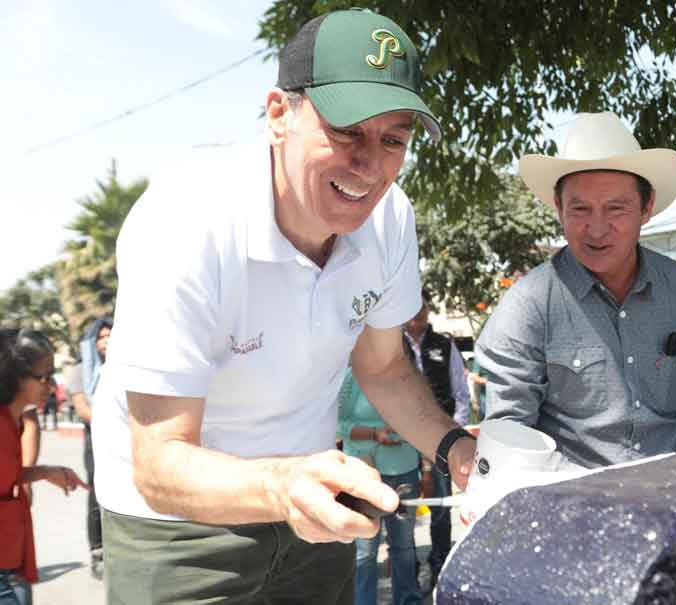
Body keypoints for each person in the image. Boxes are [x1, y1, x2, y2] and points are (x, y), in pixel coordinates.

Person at [89, 10, 477, 604]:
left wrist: (457, 450)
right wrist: (283, 486)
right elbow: (159, 461)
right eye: (347, 130)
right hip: (177, 529)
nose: (370, 166)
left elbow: (383, 368)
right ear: (278, 115)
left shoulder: (391, 219)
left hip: (314, 503)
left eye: (393, 139)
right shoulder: (187, 219)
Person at [476, 112, 676, 469]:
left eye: (616, 208)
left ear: (646, 208)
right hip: (572, 505)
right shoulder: (529, 305)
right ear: (559, 208)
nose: (597, 229)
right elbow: (510, 433)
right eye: (580, 209)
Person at [0, 329, 88, 605]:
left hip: (11, 561)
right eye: (44, 377)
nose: (51, 387)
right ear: (16, 377)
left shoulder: (11, 421)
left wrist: (45, 472)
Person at [338, 368, 423, 605]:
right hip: (363, 475)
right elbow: (336, 425)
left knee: (404, 547)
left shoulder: (408, 372)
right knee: (364, 553)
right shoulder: (349, 376)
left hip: (404, 468)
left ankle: (409, 601)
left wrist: (426, 466)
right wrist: (374, 434)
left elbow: (420, 419)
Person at [402, 291, 469, 578]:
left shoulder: (444, 344)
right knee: (404, 508)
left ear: (429, 308)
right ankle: (407, 569)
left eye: (422, 304)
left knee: (441, 509)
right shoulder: (390, 346)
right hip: (400, 443)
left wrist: (454, 438)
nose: (416, 310)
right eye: (410, 304)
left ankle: (440, 563)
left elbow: (461, 393)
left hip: (440, 442)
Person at [67, 318, 110, 580]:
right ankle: (98, 550)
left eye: (110, 335)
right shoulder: (80, 371)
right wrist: (113, 424)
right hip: (96, 439)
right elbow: (83, 408)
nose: (106, 341)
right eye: (101, 337)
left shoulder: (123, 367)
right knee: (97, 494)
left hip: (128, 440)